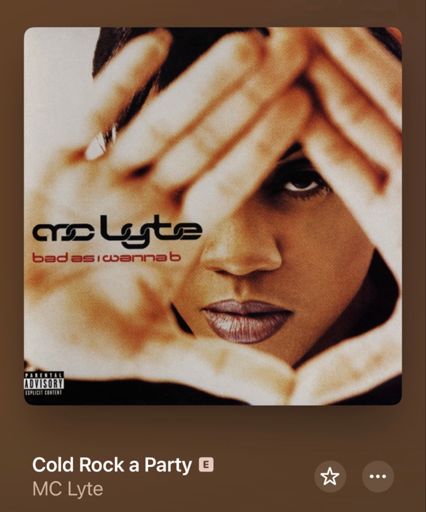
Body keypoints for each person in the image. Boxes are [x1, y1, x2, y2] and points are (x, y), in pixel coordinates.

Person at [24, 27, 402, 405]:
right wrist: (33, 365)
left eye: (303, 181)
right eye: (182, 181)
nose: (237, 258)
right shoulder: (72, 345)